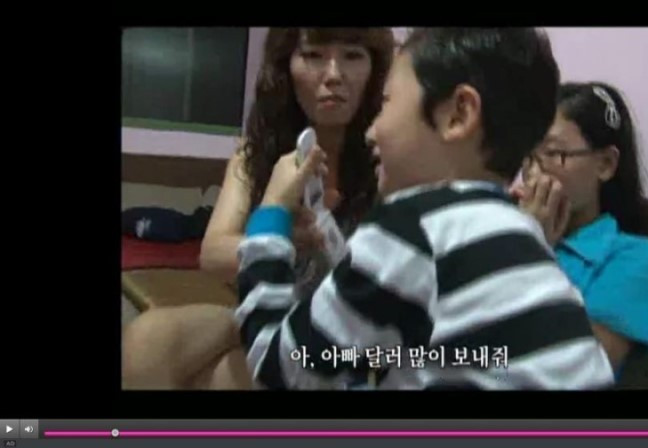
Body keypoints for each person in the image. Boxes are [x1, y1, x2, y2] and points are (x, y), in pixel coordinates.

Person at [123, 28, 615, 390]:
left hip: (331, 334)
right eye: (314, 55)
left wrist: (272, 212)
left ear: (459, 115)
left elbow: (282, 365)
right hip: (336, 325)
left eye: (386, 102)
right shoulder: (511, 230)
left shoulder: (411, 219)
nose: (333, 76)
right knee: (150, 338)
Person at [200, 28, 394, 297]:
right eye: (313, 55)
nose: (334, 75)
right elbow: (212, 255)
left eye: (352, 56)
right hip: (272, 306)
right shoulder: (256, 152)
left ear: (374, 70)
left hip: (359, 314)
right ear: (285, 67)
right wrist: (282, 236)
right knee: (157, 324)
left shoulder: (392, 153)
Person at [510, 82, 648, 373]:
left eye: (553, 153)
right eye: (528, 155)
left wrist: (532, 249)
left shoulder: (635, 257)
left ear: (605, 164)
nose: (533, 172)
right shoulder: (503, 225)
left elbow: (579, 367)